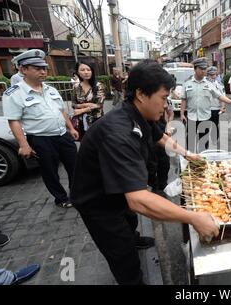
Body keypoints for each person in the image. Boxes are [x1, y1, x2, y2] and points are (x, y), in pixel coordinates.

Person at [69, 61, 220, 285]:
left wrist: (188, 155)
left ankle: (134, 238)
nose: (167, 104)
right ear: (141, 94)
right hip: (97, 201)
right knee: (122, 253)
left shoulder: (142, 114)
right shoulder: (119, 132)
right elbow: (139, 201)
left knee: (130, 223)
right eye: (163, 97)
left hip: (118, 191)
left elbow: (160, 137)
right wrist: (193, 217)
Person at [2, 49, 79, 209]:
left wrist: (70, 128)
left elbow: (61, 111)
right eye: (37, 68)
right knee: (50, 172)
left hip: (62, 135)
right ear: (23, 69)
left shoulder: (51, 89)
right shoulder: (14, 93)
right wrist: (24, 145)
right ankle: (61, 198)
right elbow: (14, 120)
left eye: (44, 68)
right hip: (41, 139)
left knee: (75, 166)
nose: (43, 72)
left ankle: (76, 194)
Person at [180, 58, 231, 152]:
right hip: (191, 117)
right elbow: (184, 99)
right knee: (190, 141)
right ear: (195, 69)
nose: (204, 71)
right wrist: (182, 114)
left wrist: (230, 101)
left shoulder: (209, 83)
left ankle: (202, 161)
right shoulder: (187, 83)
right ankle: (190, 160)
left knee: (204, 142)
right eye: (201, 69)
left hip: (205, 117)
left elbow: (219, 95)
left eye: (205, 69)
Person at [72, 61, 105, 140]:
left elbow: (99, 105)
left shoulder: (98, 86)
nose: (86, 72)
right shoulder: (76, 86)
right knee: (85, 142)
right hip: (81, 121)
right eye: (82, 70)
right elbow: (73, 104)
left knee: (98, 142)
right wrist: (87, 106)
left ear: (92, 71)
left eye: (88, 69)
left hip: (96, 120)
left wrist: (81, 110)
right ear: (78, 72)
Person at [207, 66, 226, 145]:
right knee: (206, 126)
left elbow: (223, 96)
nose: (213, 76)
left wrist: (223, 106)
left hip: (216, 108)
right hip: (206, 109)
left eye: (215, 74)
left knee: (215, 125)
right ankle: (205, 141)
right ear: (207, 75)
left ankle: (215, 139)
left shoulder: (219, 84)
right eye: (211, 75)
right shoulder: (204, 83)